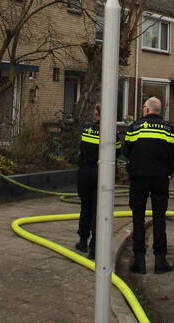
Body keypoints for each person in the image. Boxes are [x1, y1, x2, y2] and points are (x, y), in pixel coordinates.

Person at [122, 96, 174, 275]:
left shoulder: (135, 127)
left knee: (138, 218)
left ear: (147, 110)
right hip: (160, 179)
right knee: (159, 218)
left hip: (138, 177)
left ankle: (139, 261)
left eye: (143, 108)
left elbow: (125, 152)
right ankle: (160, 261)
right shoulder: (169, 128)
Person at [76, 103, 108, 257]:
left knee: (85, 207)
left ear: (97, 113)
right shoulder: (109, 131)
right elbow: (117, 150)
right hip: (101, 173)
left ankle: (82, 241)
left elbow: (81, 148)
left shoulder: (87, 128)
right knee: (98, 210)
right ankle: (94, 247)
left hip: (84, 172)